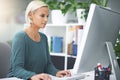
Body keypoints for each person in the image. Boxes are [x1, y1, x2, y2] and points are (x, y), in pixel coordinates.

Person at [7, 0, 71, 80]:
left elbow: (47, 65)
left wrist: (56, 72)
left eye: (47, 16)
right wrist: (33, 76)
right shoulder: (20, 37)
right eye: (42, 16)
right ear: (30, 15)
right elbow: (17, 69)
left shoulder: (43, 38)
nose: (46, 20)